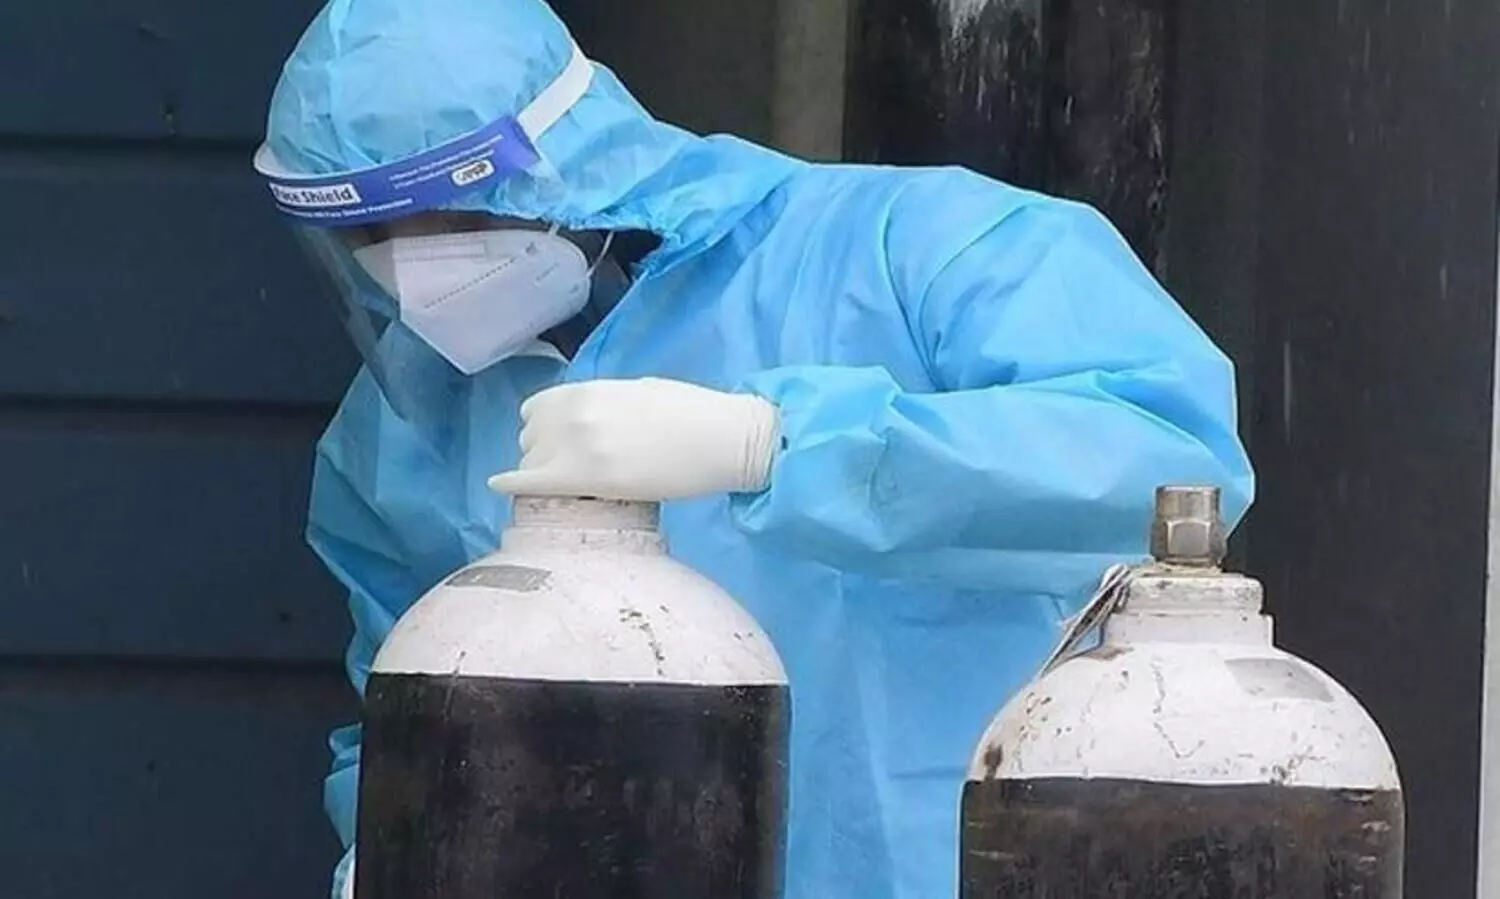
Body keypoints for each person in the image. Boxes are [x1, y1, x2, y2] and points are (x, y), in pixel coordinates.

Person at [254, 0, 1254, 896]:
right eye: (376, 236)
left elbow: (1172, 458)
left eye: (453, 214)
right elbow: (411, 711)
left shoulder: (912, 246)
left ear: (568, 156)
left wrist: (776, 444)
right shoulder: (401, 431)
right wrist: (391, 844)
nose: (418, 263)